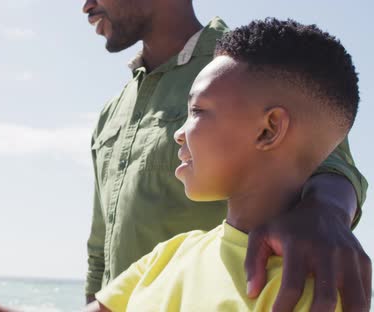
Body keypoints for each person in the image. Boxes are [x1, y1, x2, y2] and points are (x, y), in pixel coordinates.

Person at [82, 0, 369, 310]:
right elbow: (100, 251)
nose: (86, 6)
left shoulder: (252, 65)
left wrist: (326, 212)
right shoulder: (113, 110)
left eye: (198, 112)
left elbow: (325, 158)